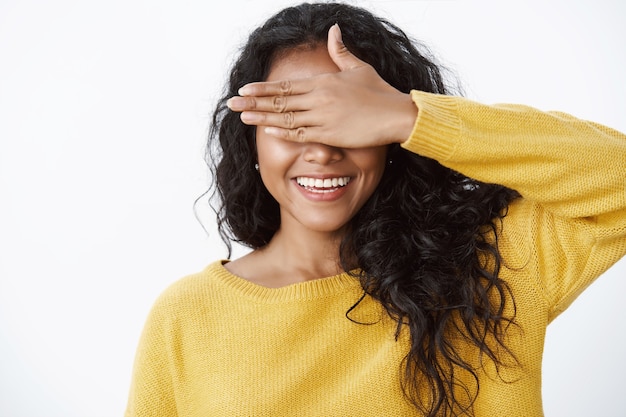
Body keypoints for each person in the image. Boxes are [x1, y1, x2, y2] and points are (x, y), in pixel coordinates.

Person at [124, 2, 626, 416]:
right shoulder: (186, 316)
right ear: (250, 141)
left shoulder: (495, 265)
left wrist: (410, 116)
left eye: (346, 120)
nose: (322, 150)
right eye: (292, 119)